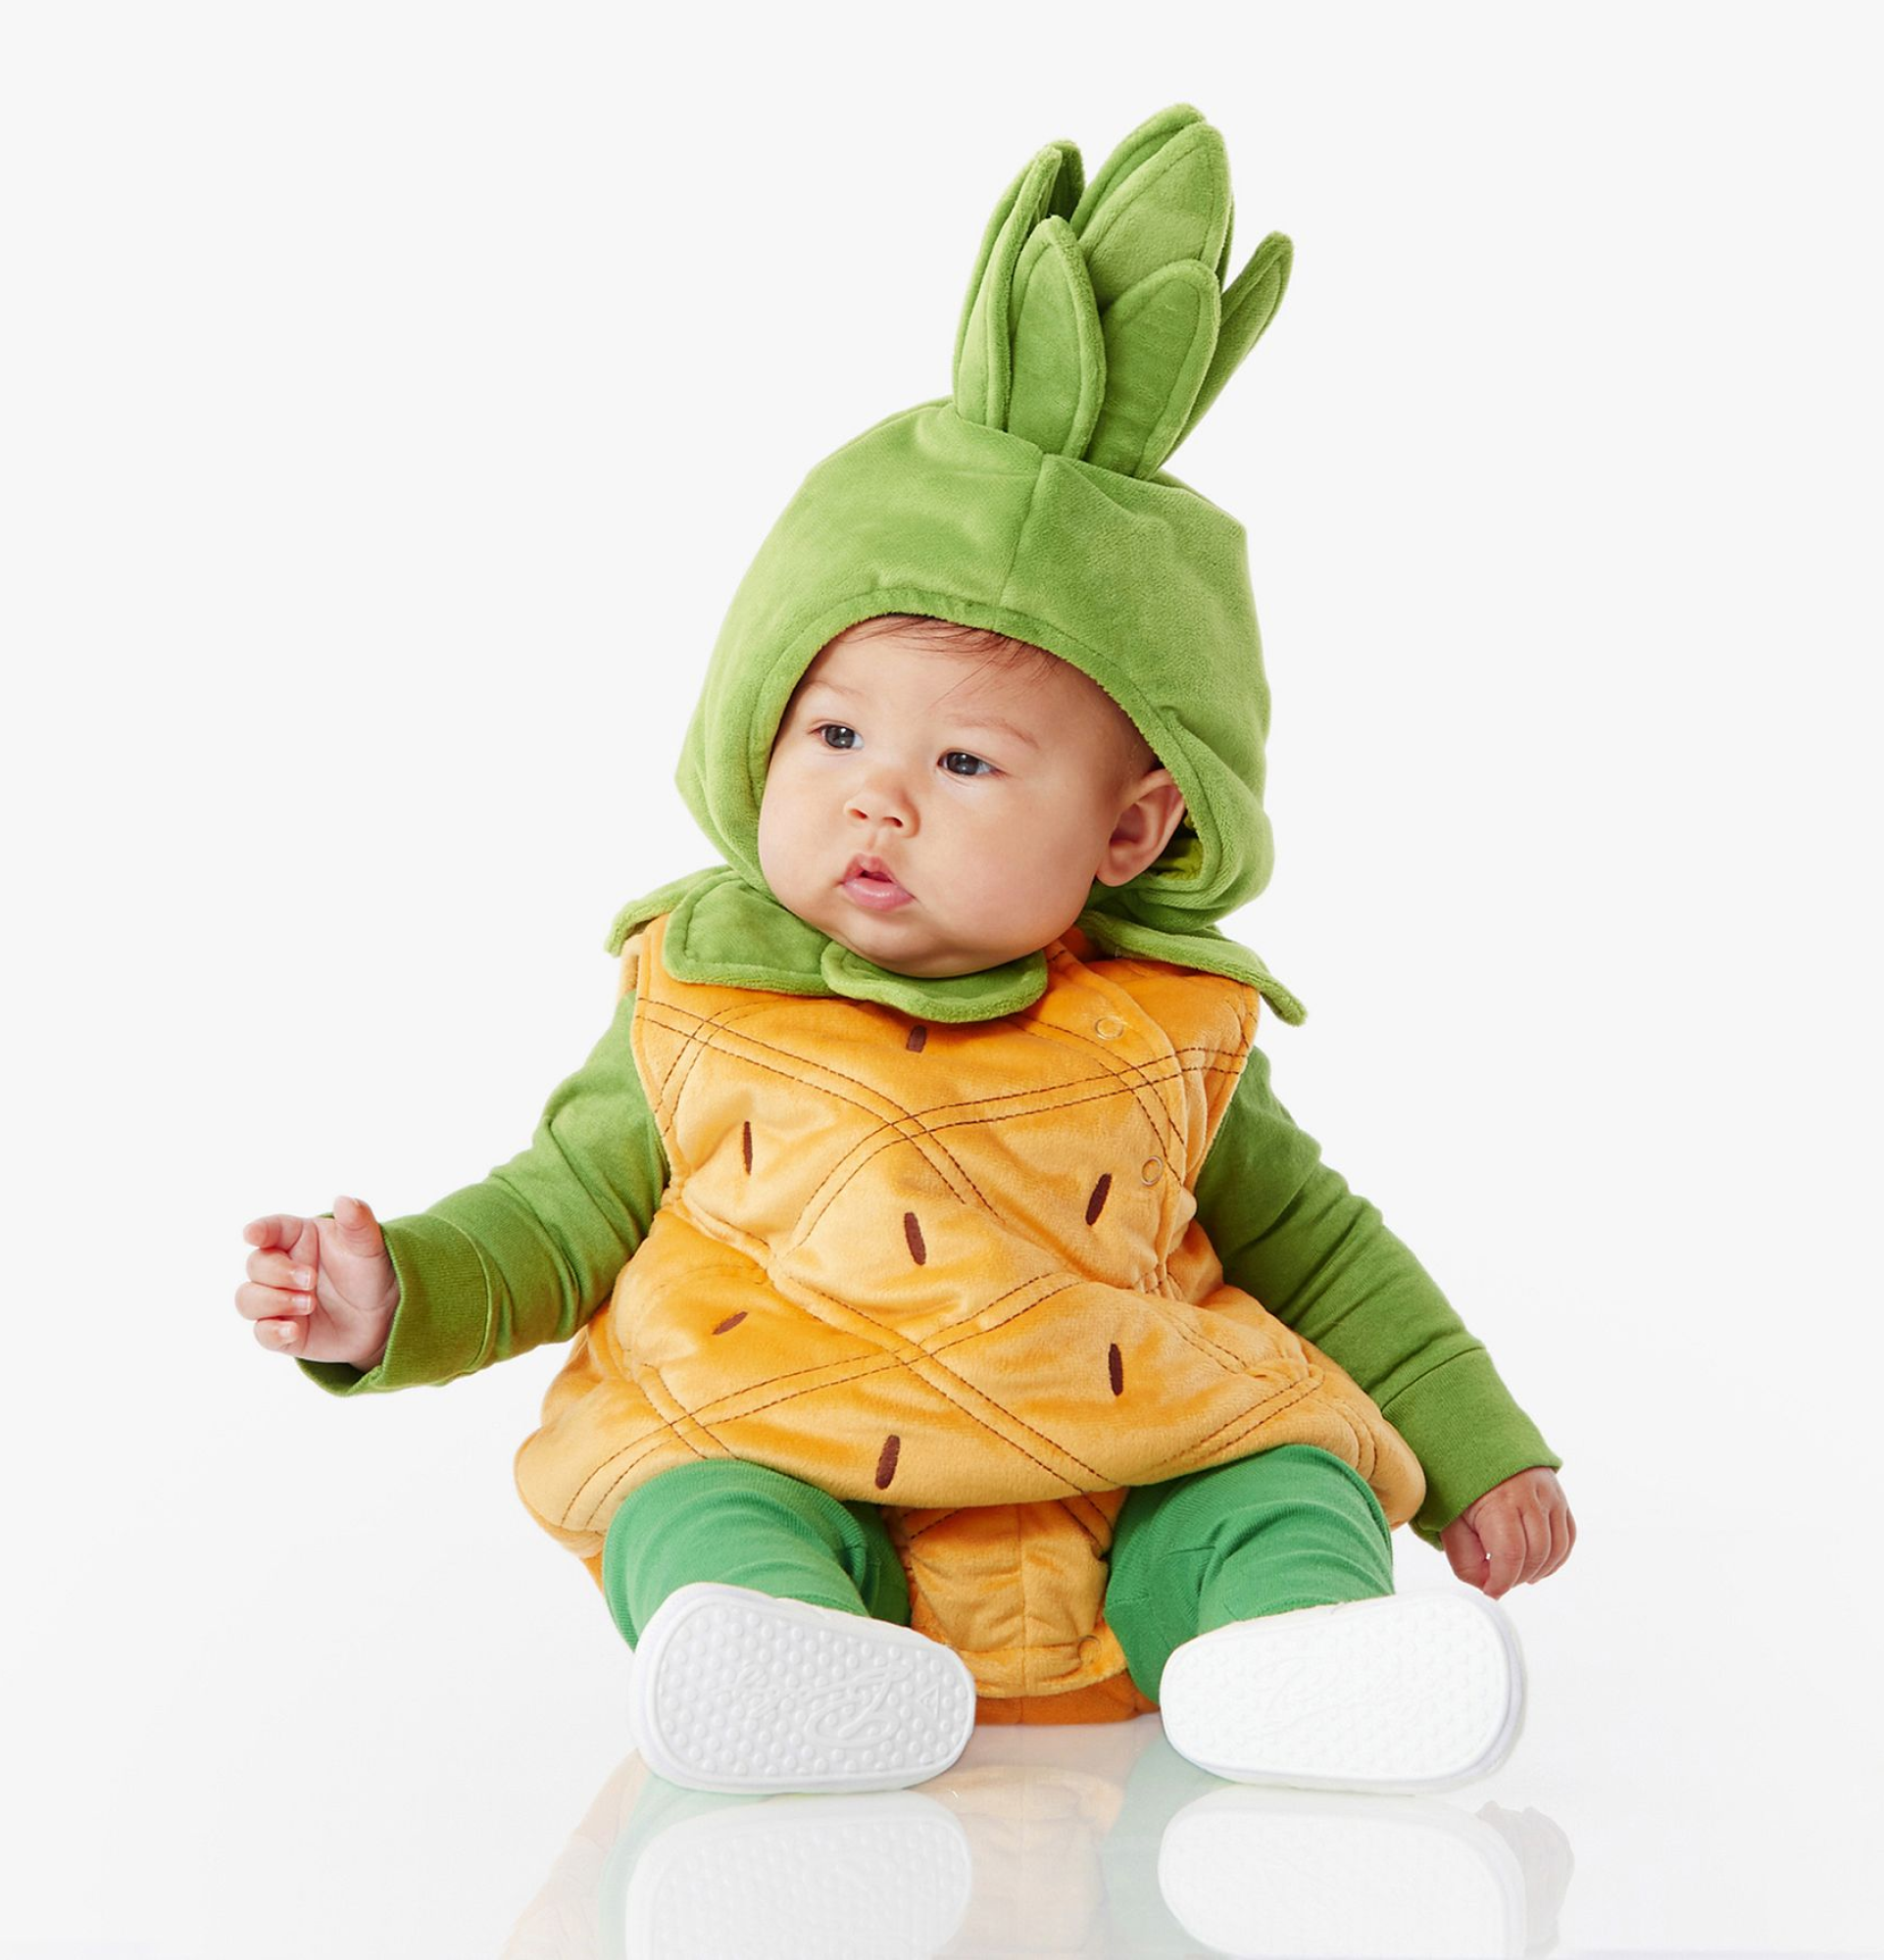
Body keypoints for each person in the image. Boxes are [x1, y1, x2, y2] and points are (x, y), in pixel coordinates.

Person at [238, 103, 1574, 1798]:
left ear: (1132, 831)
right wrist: (396, 1295)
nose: (880, 801)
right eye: (836, 735)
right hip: (788, 1439)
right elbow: (556, 1216)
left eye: (964, 764)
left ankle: (1292, 1650)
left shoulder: (1173, 1030)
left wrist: (1478, 1450)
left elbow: (1320, 1253)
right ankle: (778, 1657)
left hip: (1132, 1459)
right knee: (690, 1498)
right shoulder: (695, 993)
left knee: (1282, 1477)